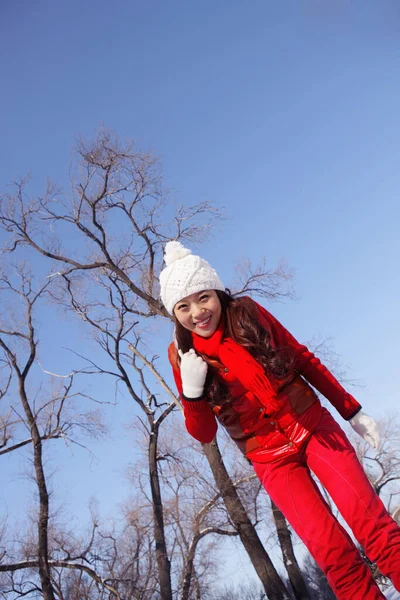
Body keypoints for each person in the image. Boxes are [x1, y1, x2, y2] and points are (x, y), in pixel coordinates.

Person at [160, 240, 400, 600]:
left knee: (374, 528)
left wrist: (352, 410)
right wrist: (192, 395)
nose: (197, 312)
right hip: (273, 462)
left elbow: (301, 357)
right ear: (174, 312)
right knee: (335, 558)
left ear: (216, 291)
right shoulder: (181, 356)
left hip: (313, 428)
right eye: (183, 306)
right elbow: (204, 432)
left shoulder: (247, 313)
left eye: (203, 297)